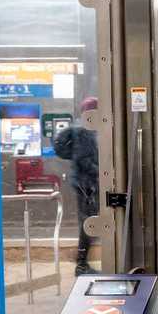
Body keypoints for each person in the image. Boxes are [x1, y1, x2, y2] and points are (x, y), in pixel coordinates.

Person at [53, 96, 101, 275]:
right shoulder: (85, 131)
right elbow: (84, 159)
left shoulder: (82, 128)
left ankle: (82, 262)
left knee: (88, 223)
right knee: (88, 224)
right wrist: (104, 171)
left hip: (84, 183)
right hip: (87, 185)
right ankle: (81, 264)